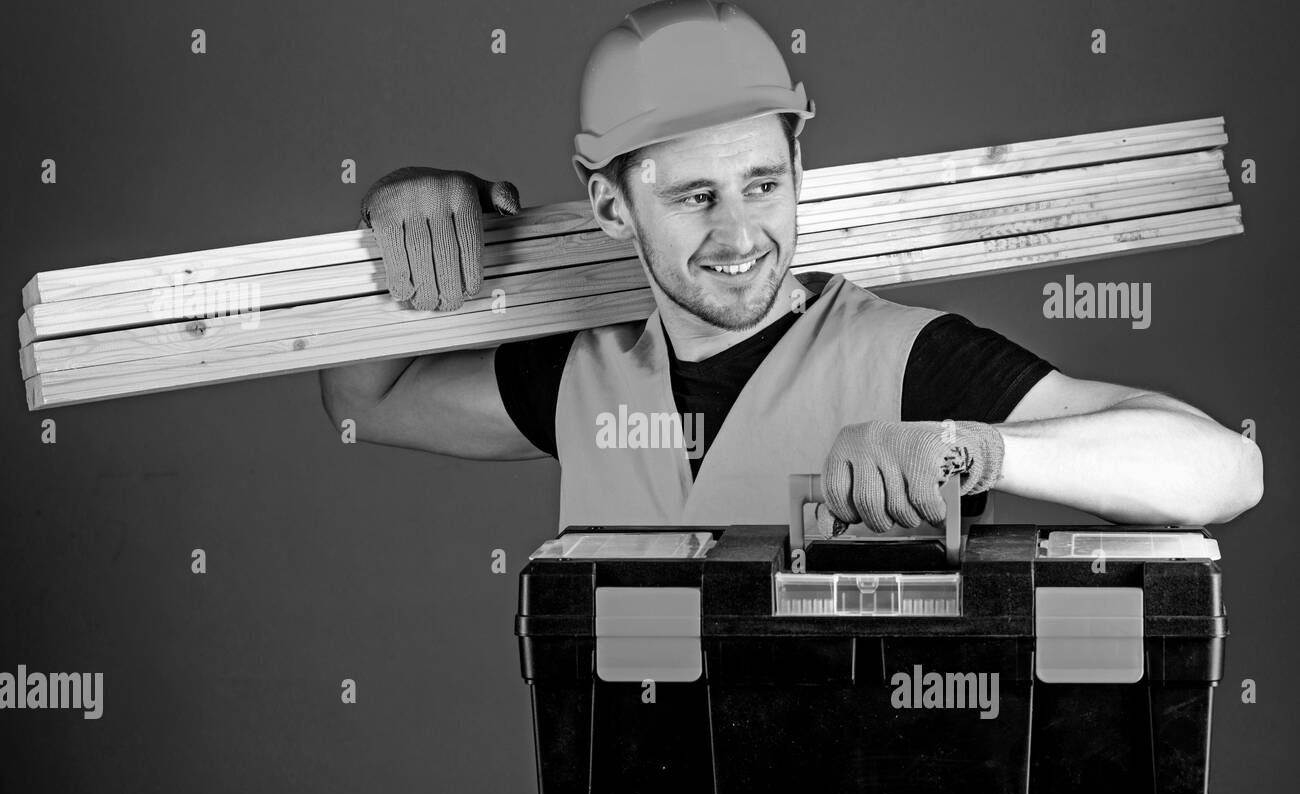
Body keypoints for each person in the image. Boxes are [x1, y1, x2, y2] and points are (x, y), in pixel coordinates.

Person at [319, 0, 1261, 534]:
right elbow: (364, 401)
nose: (740, 236)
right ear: (611, 203)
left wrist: (975, 448)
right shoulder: (582, 378)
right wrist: (390, 228)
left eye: (763, 183)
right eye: (695, 197)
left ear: (799, 169)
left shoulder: (901, 362)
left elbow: (1225, 469)